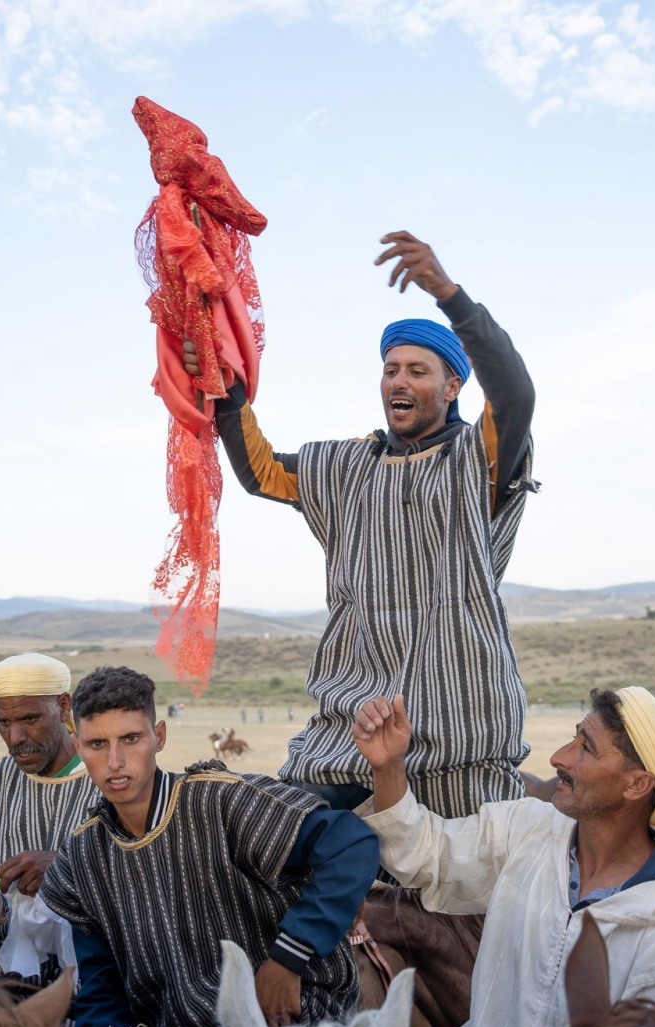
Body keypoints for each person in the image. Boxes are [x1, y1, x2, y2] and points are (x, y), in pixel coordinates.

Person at [211, 231, 537, 818]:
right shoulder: (346, 467)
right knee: (262, 833)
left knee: (454, 897)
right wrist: (225, 387)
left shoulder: (477, 459)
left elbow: (516, 394)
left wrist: (447, 293)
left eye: (418, 370)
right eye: (391, 370)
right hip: (346, 736)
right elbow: (260, 473)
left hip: (459, 734)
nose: (399, 382)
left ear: (453, 385)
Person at [354, 687, 655, 1027]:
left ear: (636, 785)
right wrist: (388, 766)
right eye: (573, 737)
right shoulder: (529, 829)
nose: (558, 757)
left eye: (586, 748)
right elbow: (424, 854)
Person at [41, 666, 378, 1027]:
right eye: (98, 744)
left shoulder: (220, 803)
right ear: (78, 747)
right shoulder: (82, 859)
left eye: (130, 738)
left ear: (158, 736)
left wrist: (287, 958)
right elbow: (102, 987)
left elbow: (351, 845)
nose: (115, 761)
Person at [0, 654, 99, 993]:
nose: (15, 737)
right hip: (1, 992)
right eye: (3, 723)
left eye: (30, 718)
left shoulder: (109, 783)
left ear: (63, 707)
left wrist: (64, 871)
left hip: (98, 989)